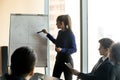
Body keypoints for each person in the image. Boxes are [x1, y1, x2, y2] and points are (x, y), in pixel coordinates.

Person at [42, 15, 77, 80]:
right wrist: (47, 34)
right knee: (54, 78)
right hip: (59, 60)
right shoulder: (60, 32)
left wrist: (62, 50)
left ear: (62, 23)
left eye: (57, 22)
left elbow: (74, 49)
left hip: (67, 62)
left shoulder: (70, 34)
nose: (56, 24)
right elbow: (56, 42)